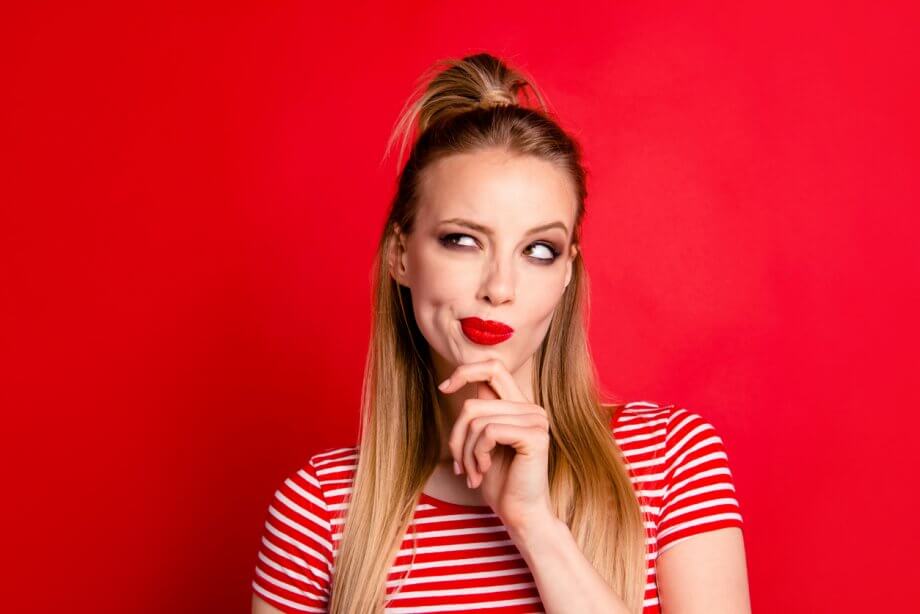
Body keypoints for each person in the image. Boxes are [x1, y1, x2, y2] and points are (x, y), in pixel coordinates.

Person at [251, 52, 751, 614]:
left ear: (566, 274)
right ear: (400, 255)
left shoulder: (670, 460)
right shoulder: (321, 508)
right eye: (463, 240)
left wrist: (536, 526)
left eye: (538, 250)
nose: (500, 286)